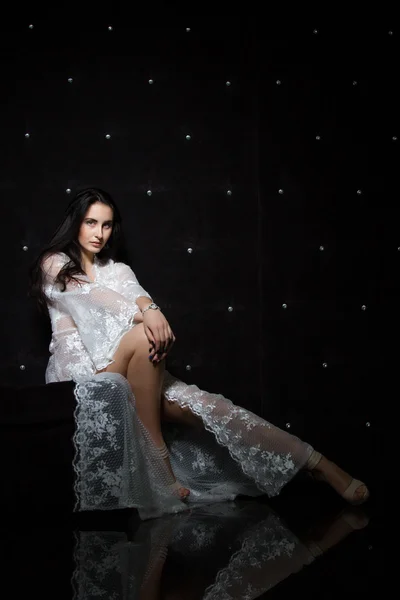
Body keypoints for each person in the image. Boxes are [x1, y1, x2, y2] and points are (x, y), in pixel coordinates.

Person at [28, 187, 369, 512]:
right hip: (81, 378)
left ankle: (318, 463)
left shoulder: (116, 269)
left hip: (132, 371)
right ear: (75, 223)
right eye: (90, 222)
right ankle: (160, 462)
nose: (99, 233)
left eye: (105, 224)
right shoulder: (54, 263)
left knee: (212, 408)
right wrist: (146, 314)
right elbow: (94, 298)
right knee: (145, 335)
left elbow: (135, 291)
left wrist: (151, 307)